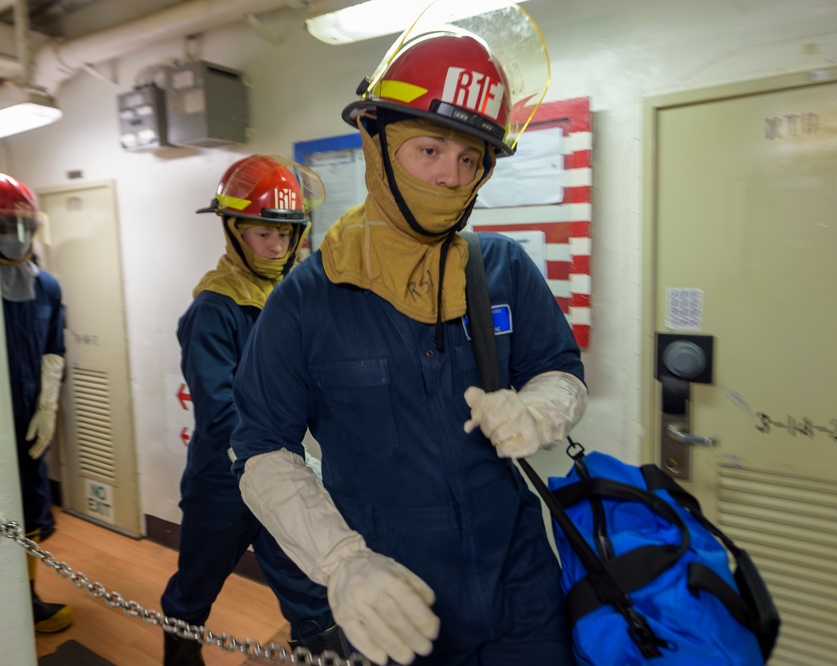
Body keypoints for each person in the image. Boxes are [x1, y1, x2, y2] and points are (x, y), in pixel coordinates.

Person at [230, 2, 587, 665]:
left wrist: (540, 408)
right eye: (428, 150)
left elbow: (560, 365)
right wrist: (342, 565)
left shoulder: (502, 268)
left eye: (470, 159)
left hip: (522, 588)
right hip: (397, 603)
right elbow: (259, 449)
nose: (451, 177)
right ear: (377, 141)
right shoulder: (306, 300)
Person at [159, 154, 336, 665]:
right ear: (234, 230)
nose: (278, 247)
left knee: (310, 594)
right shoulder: (213, 308)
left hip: (283, 473)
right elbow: (219, 410)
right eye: (263, 234)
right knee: (192, 594)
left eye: (287, 234)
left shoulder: (288, 296)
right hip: (223, 481)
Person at [1, 173, 74, 633]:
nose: (18, 237)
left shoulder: (46, 286)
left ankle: (25, 600)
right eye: (7, 226)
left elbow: (53, 348)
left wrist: (47, 405)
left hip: (29, 419)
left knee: (29, 507)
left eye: (25, 225)